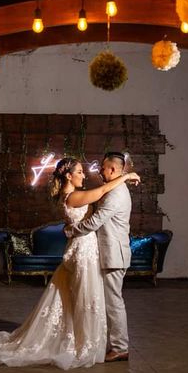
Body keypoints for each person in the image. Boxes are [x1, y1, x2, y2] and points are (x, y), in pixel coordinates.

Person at [0, 157, 140, 369]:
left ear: (113, 168)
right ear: (68, 176)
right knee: (85, 297)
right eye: (79, 172)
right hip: (83, 251)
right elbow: (99, 195)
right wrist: (126, 177)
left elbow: (101, 194)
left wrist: (123, 178)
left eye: (83, 171)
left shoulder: (85, 193)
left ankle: (98, 342)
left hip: (89, 250)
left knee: (87, 297)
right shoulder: (73, 196)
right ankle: (86, 342)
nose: (85, 175)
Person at [64, 152, 132, 362]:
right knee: (107, 301)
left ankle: (120, 347)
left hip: (114, 254)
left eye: (103, 168)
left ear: (112, 169)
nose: (99, 171)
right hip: (107, 253)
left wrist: (71, 230)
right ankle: (107, 342)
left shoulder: (116, 193)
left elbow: (96, 222)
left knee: (113, 303)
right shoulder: (115, 189)